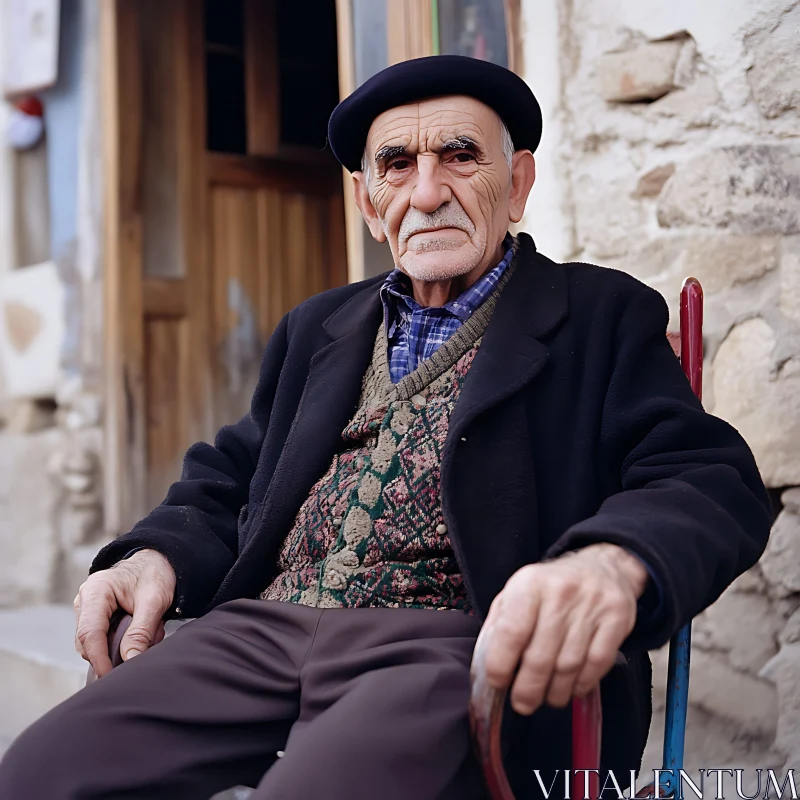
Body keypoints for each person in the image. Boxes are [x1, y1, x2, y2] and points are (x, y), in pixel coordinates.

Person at [0, 55, 772, 800]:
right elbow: (230, 473)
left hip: (452, 649)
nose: (427, 190)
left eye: (461, 156)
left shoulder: (600, 315)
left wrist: (610, 563)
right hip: (260, 630)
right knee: (40, 774)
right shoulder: (318, 326)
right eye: (396, 165)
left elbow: (705, 476)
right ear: (371, 205)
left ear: (519, 185)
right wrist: (154, 552)